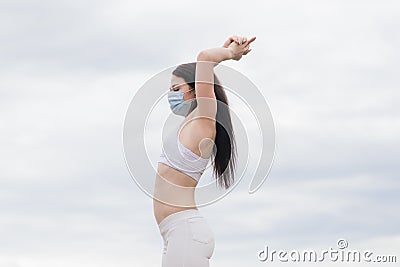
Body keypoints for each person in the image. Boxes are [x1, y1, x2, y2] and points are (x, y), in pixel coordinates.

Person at [153, 35, 256, 267]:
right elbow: (205, 66)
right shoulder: (189, 122)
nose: (172, 95)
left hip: (185, 231)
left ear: (194, 90)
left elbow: (204, 58)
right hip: (173, 233)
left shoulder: (204, 118)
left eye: (176, 88)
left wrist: (231, 54)